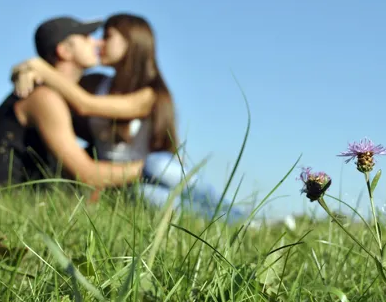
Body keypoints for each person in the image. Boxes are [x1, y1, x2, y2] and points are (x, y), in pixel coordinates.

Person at [13, 13, 249, 223]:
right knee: (153, 199)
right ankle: (222, 223)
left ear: (132, 42)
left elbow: (85, 105)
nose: (99, 43)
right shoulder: (96, 83)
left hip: (154, 172)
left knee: (158, 165)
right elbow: (69, 89)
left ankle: (240, 219)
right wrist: (24, 71)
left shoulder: (148, 95)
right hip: (122, 182)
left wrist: (40, 67)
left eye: (108, 37)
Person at [0, 16, 156, 196]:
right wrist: (150, 166)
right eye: (86, 37)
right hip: (2, 207)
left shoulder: (57, 93)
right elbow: (88, 175)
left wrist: (32, 69)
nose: (97, 42)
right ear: (64, 50)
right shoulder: (44, 98)